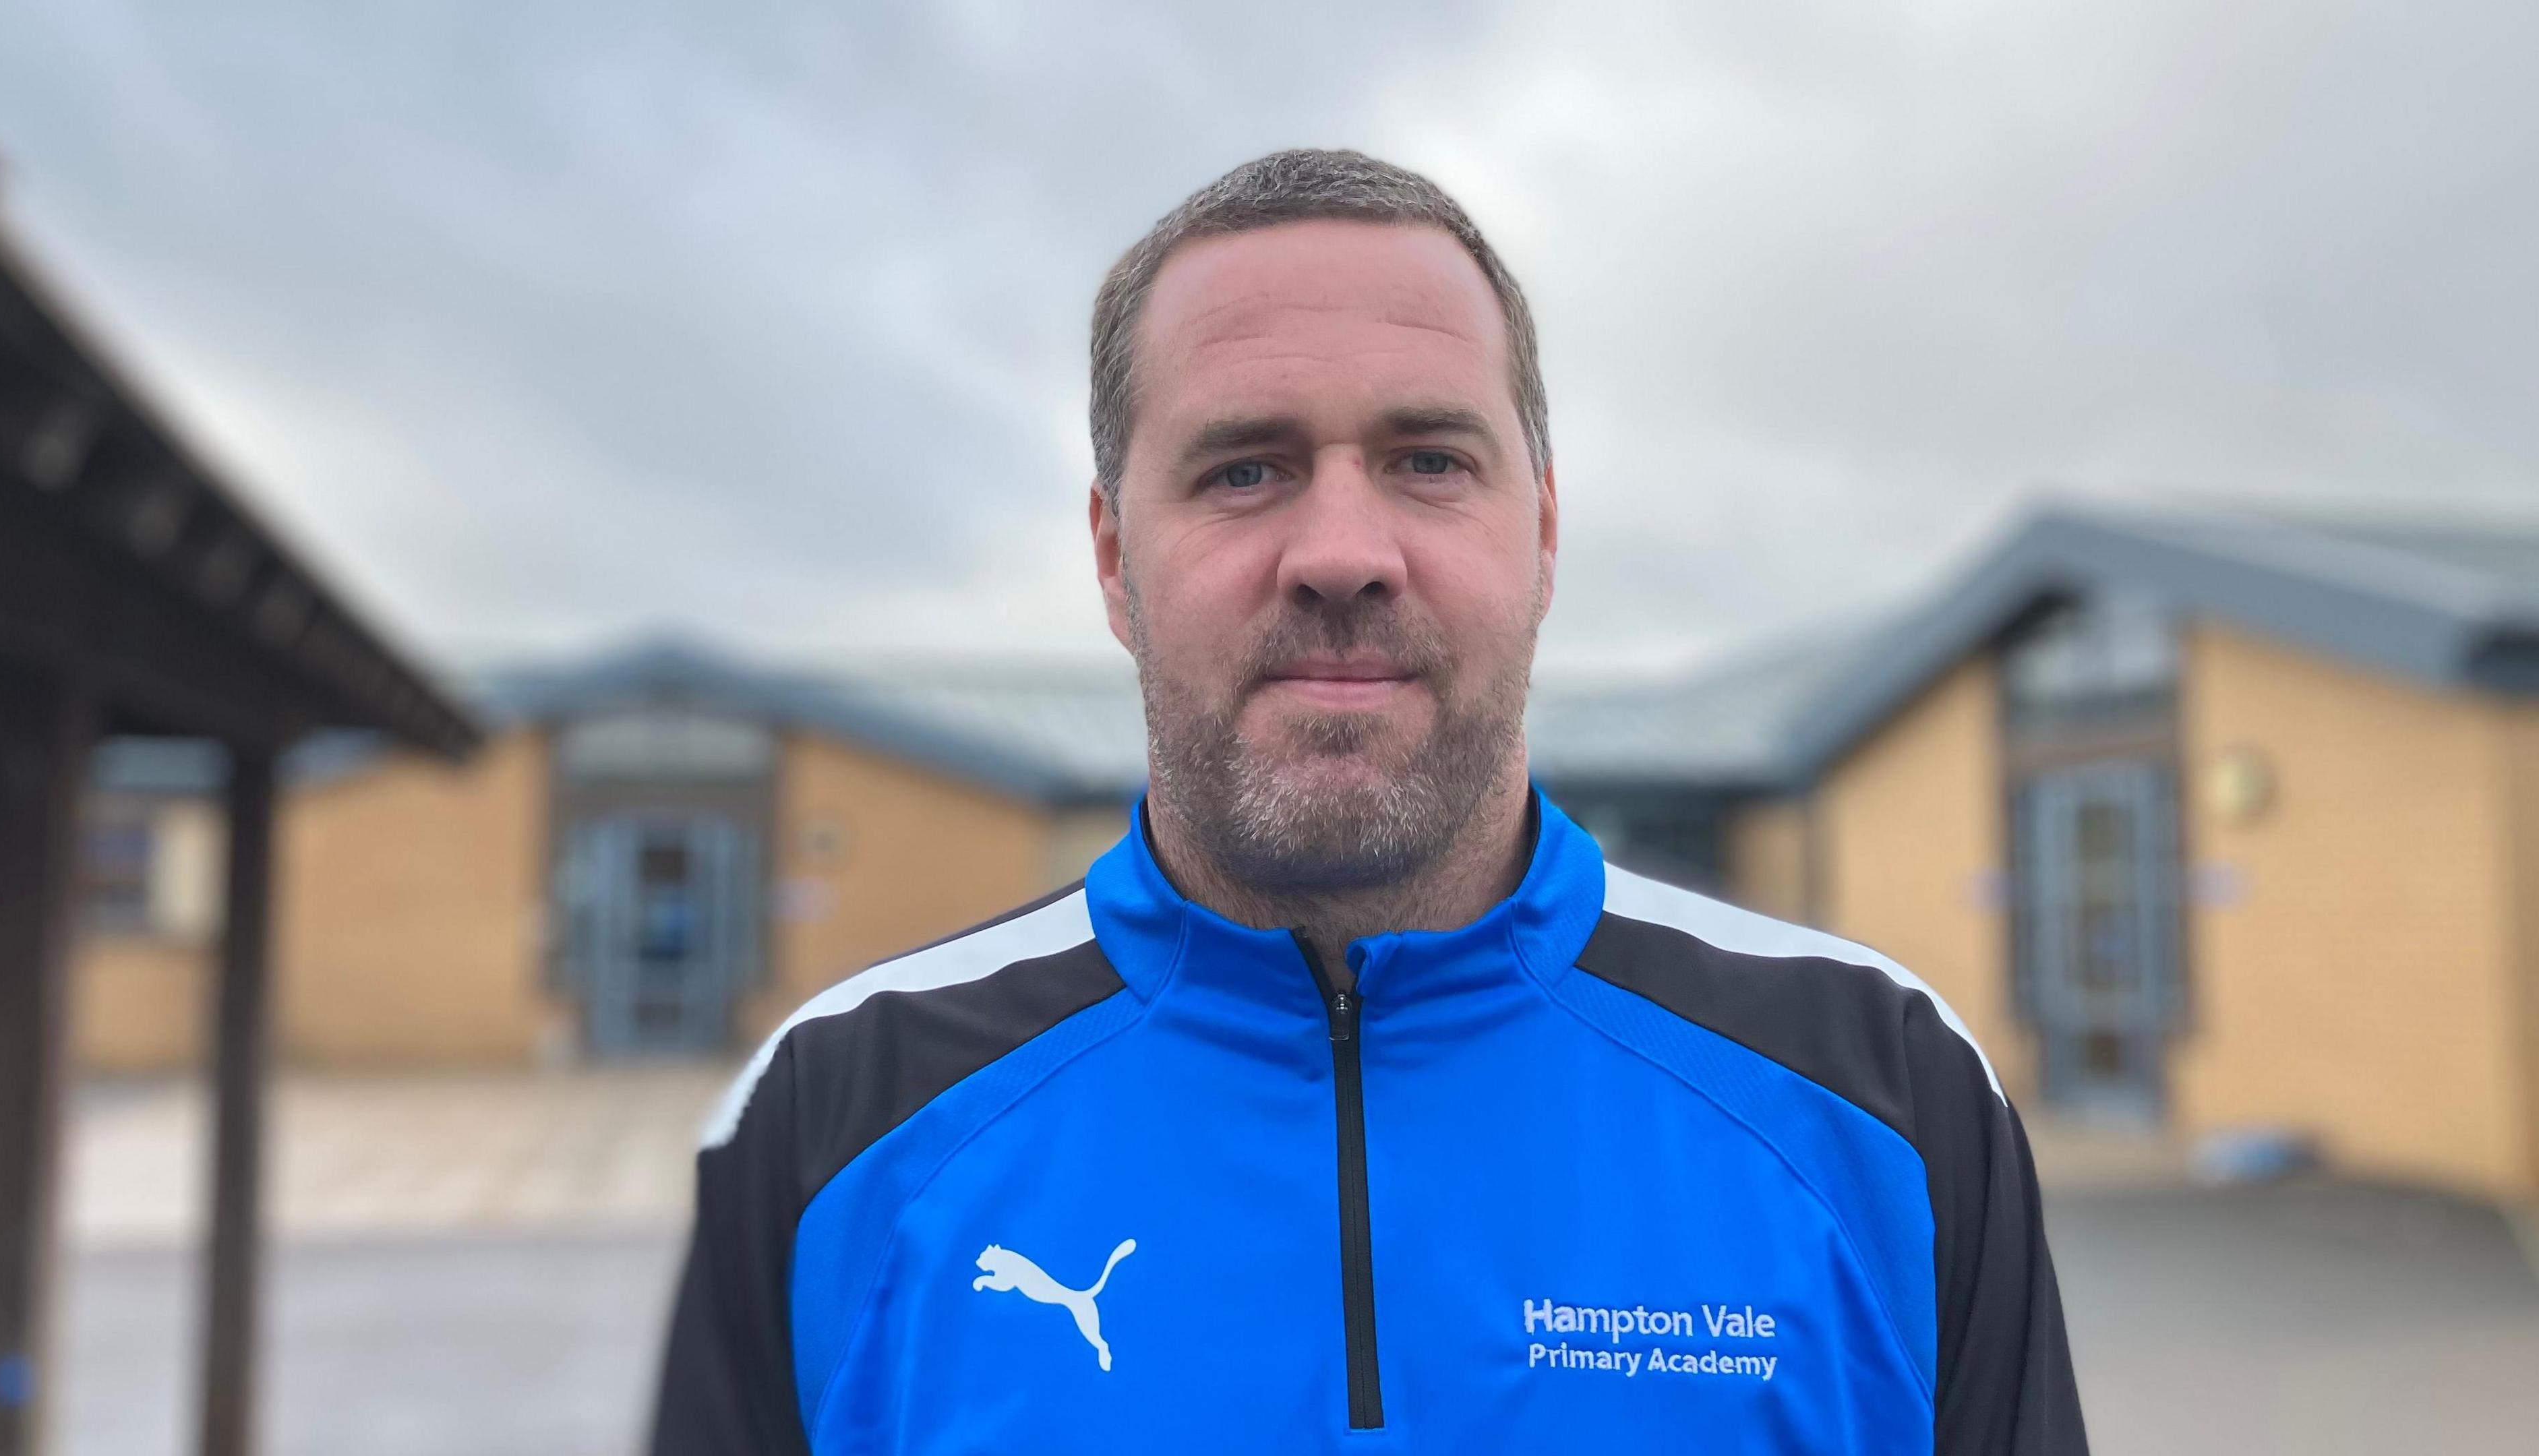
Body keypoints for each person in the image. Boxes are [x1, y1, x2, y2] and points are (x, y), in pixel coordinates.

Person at [649, 148, 2087, 1454]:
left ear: (1541, 531)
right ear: (1109, 559)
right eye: (1247, 468)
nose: (1343, 552)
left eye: (1427, 462)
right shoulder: (837, 1124)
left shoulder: (1882, 1096)